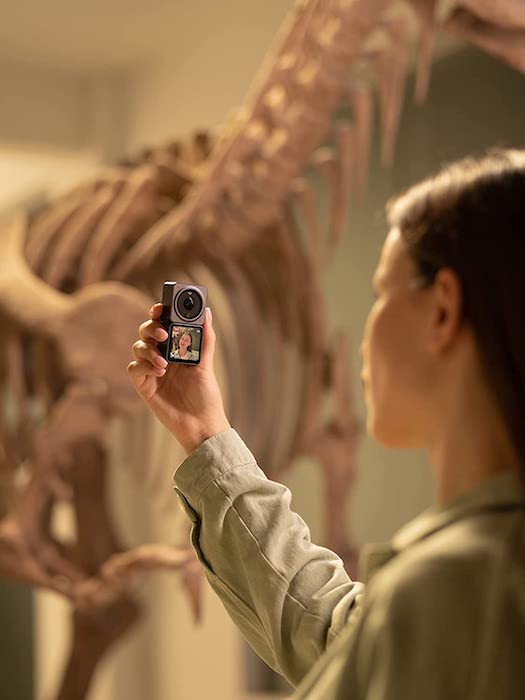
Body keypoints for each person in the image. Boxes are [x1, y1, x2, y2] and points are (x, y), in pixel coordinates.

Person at [128, 149, 525, 699]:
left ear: (442, 310)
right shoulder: (454, 592)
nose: (363, 335)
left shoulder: (456, 590)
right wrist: (204, 430)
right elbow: (341, 635)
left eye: (382, 292)